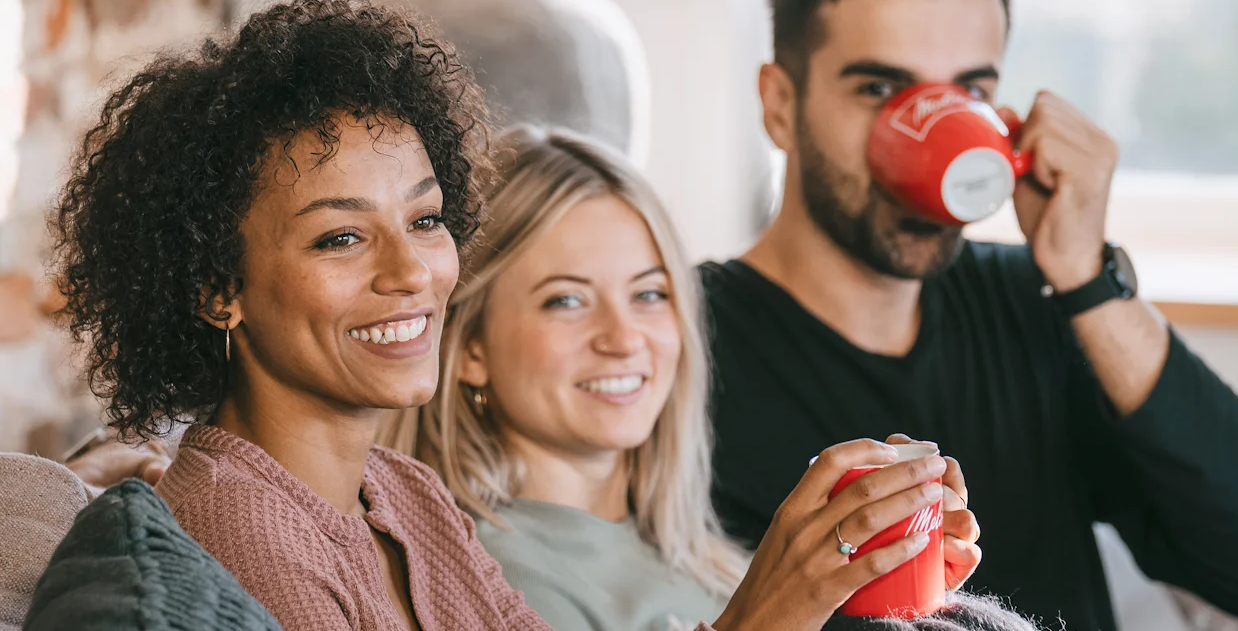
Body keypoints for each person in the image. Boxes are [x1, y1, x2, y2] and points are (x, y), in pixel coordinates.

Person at [52, 0, 978, 631]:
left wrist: (835, 582)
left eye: (425, 220)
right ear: (217, 286)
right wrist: (765, 611)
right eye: (340, 239)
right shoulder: (243, 535)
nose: (411, 270)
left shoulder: (399, 496)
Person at [703, 0, 1238, 629]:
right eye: (880, 90)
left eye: (967, 94)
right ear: (780, 105)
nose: (933, 135)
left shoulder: (1035, 302)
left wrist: (1087, 277)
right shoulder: (666, 342)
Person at [380, 125, 997, 631]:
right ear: (469, 348)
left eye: (649, 294)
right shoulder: (479, 583)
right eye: (566, 301)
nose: (623, 339)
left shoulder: (705, 559)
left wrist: (882, 596)